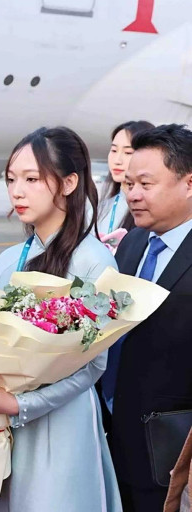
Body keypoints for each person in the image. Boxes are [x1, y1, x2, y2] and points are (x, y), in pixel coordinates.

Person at [0, 127, 122, 511]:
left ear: (69, 183)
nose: (17, 192)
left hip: (62, 423)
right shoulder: (9, 259)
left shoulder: (93, 261)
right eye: (11, 180)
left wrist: (20, 404)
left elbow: (93, 366)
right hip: (5, 421)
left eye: (32, 179)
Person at [105, 124, 192, 512]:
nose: (133, 195)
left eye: (145, 184)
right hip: (115, 441)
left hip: (172, 451)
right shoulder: (134, 242)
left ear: (188, 184)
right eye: (128, 184)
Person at [96, 121, 155, 235]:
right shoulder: (100, 209)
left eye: (128, 152)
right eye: (114, 150)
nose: (117, 160)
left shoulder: (158, 210)